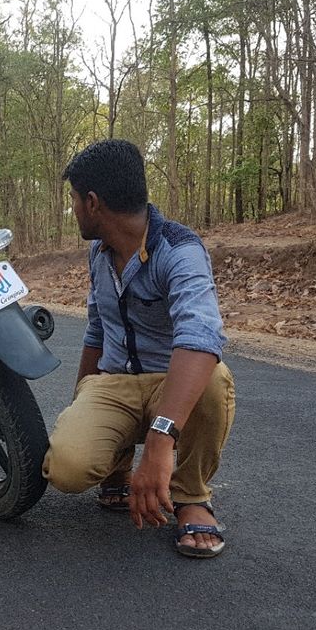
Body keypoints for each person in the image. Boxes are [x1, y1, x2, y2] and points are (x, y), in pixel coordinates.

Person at [42, 139, 236, 558]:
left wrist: (160, 444)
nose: (72, 209)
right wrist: (81, 403)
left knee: (213, 378)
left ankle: (191, 496)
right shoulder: (98, 254)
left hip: (170, 386)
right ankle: (118, 470)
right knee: (66, 470)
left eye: (73, 199)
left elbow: (201, 338)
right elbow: (96, 331)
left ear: (92, 203)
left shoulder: (180, 250)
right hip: (115, 385)